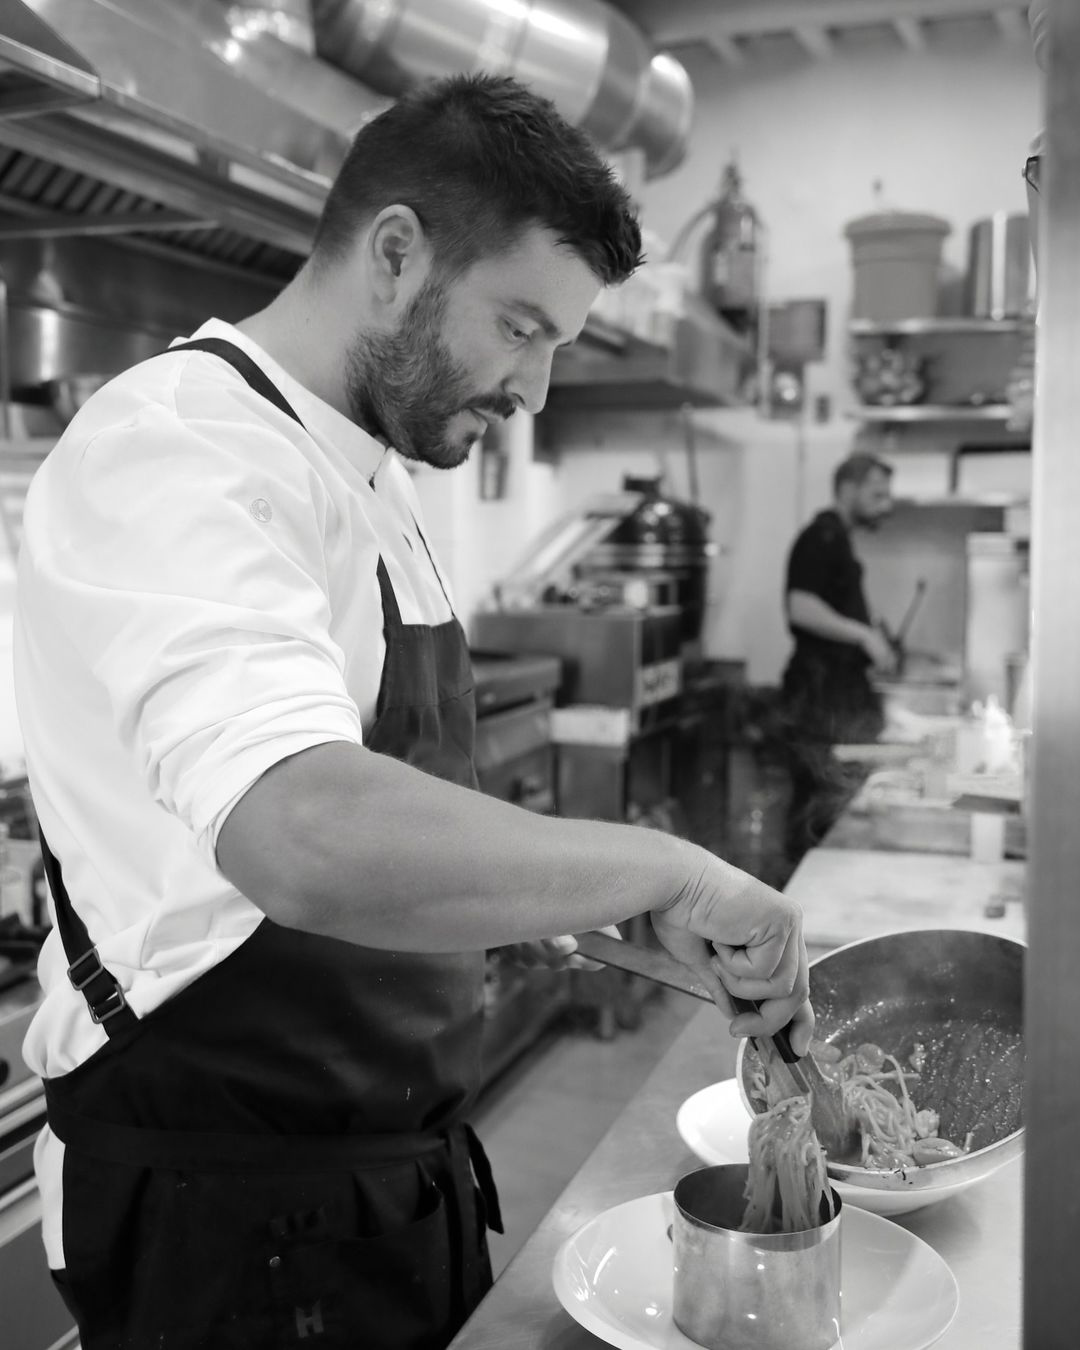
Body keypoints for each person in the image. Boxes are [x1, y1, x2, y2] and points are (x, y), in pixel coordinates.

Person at [14, 74, 813, 1350]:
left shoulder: (370, 477)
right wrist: (671, 864)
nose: (535, 388)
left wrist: (567, 909)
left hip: (383, 1183)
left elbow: (392, 821)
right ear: (395, 255)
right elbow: (301, 832)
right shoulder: (182, 446)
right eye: (521, 327)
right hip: (225, 1215)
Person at [779, 451, 895, 859]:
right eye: (877, 494)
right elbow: (800, 607)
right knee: (816, 814)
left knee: (833, 809)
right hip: (818, 701)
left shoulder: (838, 540)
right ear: (847, 489)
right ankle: (799, 892)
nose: (886, 505)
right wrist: (863, 636)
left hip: (833, 698)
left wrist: (870, 632)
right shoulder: (820, 537)